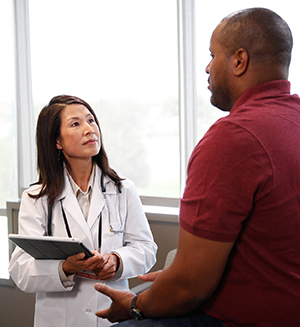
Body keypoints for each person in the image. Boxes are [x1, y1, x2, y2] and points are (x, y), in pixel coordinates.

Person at [93, 7, 300, 327]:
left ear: (239, 60)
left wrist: (135, 305)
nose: (207, 67)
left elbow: (190, 287)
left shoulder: (234, 137)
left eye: (212, 55)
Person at [8, 95, 157, 327]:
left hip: (111, 315)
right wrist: (64, 268)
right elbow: (20, 269)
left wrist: (117, 260)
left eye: (91, 120)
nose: (89, 129)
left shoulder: (122, 189)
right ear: (57, 141)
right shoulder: (36, 198)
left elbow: (146, 249)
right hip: (60, 319)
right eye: (76, 124)